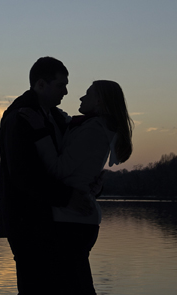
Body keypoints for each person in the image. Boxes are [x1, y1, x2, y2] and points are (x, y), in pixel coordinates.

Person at [21, 80, 134, 295]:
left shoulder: (93, 131)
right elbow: (68, 125)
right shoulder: (90, 126)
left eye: (87, 94)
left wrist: (40, 132)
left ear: (99, 100)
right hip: (73, 219)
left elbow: (58, 170)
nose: (81, 98)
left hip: (72, 222)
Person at [0, 56, 92, 295]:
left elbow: (68, 163)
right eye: (61, 85)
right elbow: (24, 176)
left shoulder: (55, 117)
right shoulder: (19, 117)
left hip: (51, 223)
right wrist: (68, 197)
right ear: (40, 84)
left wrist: (92, 181)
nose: (66, 91)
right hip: (27, 224)